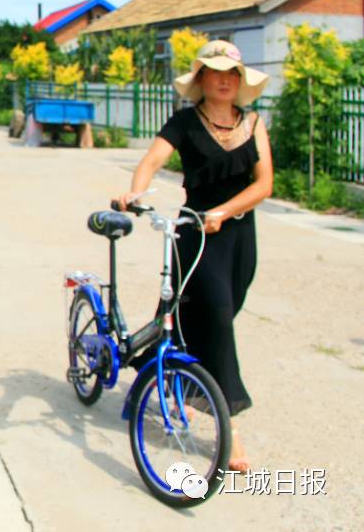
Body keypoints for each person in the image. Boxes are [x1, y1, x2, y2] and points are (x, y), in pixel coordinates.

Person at [115, 40, 273, 473]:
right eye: (214, 72)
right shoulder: (184, 122)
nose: (223, 80)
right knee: (217, 314)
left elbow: (264, 185)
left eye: (231, 74)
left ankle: (168, 376)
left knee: (217, 314)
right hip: (195, 233)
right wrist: (135, 192)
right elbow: (151, 161)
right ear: (201, 78)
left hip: (238, 235)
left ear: (239, 82)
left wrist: (224, 211)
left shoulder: (254, 122)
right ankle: (230, 421)